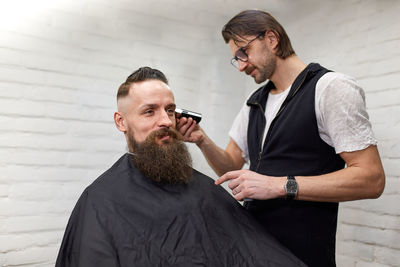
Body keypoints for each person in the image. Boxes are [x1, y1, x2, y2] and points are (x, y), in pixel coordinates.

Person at [177, 10, 385, 267]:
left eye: (243, 52)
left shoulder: (331, 88)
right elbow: (231, 166)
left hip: (302, 256)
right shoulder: (254, 103)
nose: (241, 65)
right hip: (252, 251)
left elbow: (371, 179)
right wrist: (201, 139)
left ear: (272, 39)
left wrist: (278, 186)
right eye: (236, 59)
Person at [55, 67, 307, 267]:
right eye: (149, 112)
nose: (165, 121)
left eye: (170, 110)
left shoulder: (204, 189)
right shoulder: (100, 200)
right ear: (121, 122)